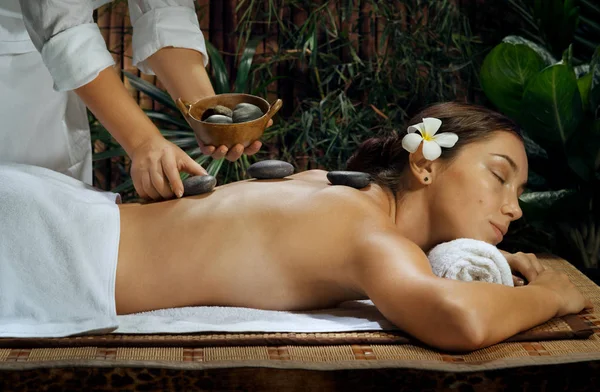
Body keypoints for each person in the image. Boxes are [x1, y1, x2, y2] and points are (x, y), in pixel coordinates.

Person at [0, 102, 593, 351]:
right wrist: (550, 295)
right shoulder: (367, 237)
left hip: (52, 213)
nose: (514, 208)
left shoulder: (331, 186)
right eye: (499, 176)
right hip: (50, 253)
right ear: (424, 163)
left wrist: (481, 259)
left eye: (518, 193)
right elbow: (457, 318)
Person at [0, 0, 261, 201]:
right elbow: (63, 25)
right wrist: (144, 142)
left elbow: (164, 9)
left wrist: (206, 112)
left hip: (57, 64)